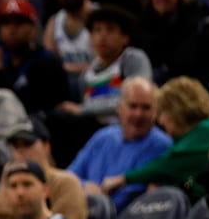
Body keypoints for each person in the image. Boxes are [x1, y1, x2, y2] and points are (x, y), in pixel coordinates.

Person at [101, 77, 209, 202]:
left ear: (176, 111)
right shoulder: (196, 133)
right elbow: (188, 180)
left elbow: (165, 166)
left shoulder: (206, 130)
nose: (160, 120)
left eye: (162, 113)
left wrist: (123, 179)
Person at [69, 77, 172, 210]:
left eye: (146, 108)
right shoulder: (103, 137)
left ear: (155, 112)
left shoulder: (163, 147)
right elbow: (69, 177)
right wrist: (86, 187)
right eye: (133, 106)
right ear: (120, 108)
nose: (138, 114)